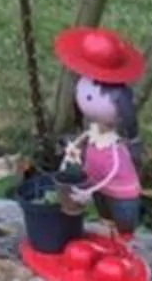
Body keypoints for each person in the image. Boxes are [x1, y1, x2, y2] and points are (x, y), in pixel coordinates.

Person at [53, 24, 145, 236]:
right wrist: (72, 148)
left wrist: (90, 190)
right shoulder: (93, 134)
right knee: (106, 220)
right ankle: (109, 236)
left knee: (123, 225)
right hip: (98, 188)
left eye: (91, 97)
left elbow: (113, 170)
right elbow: (81, 142)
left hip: (118, 192)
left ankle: (122, 246)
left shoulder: (115, 146)